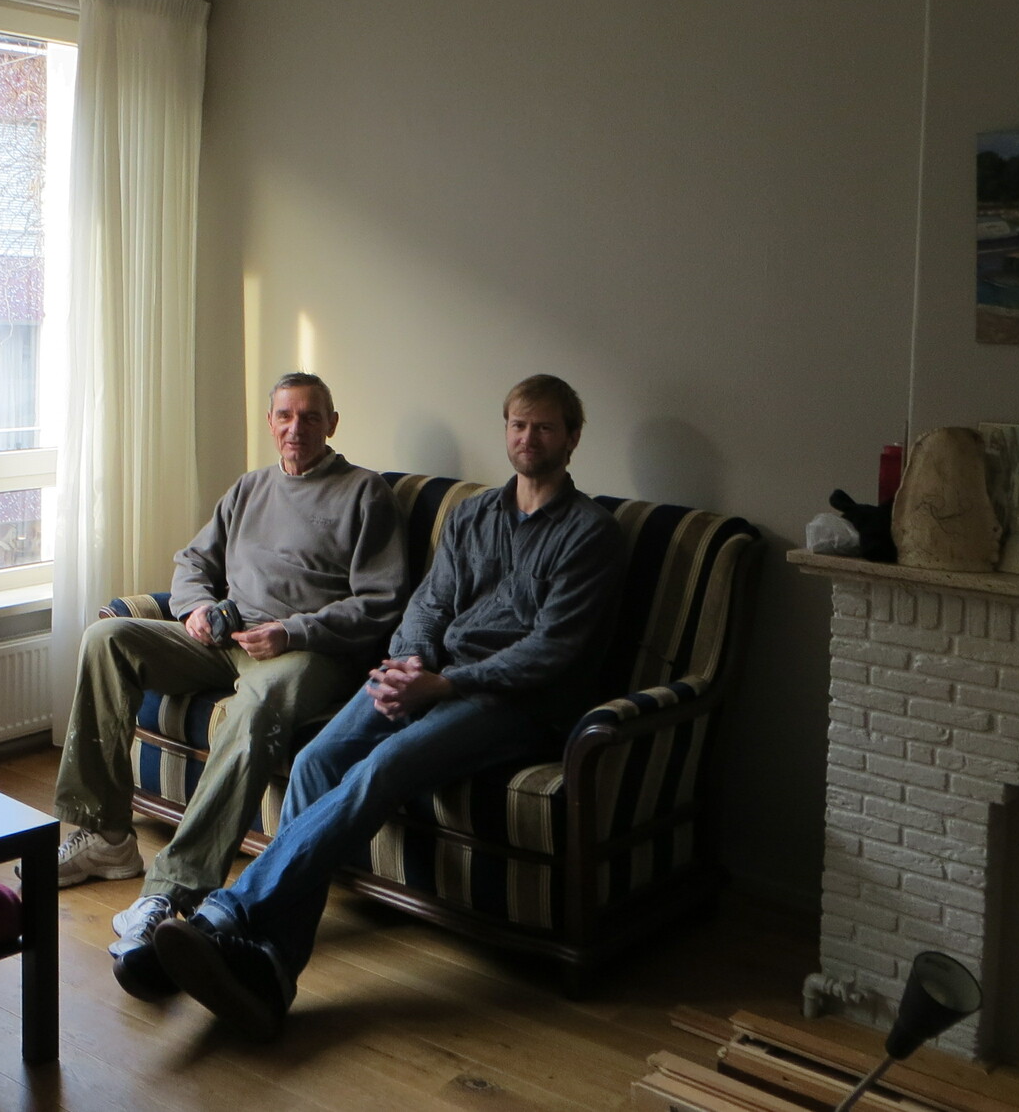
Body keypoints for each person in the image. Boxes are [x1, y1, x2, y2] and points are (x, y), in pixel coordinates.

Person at [151, 374, 627, 1040]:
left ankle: (230, 913)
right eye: (519, 425)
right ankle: (272, 970)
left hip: (515, 703)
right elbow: (428, 604)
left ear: (572, 438)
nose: (529, 438)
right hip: (430, 676)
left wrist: (445, 684)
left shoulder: (591, 534)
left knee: (384, 766)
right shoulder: (474, 515)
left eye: (545, 427)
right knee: (317, 761)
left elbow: (554, 651)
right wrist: (410, 662)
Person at [49, 372, 407, 999]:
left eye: (311, 417)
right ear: (271, 422)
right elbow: (193, 562)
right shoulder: (249, 488)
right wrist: (194, 609)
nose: (296, 428)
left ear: (332, 423)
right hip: (226, 638)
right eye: (285, 416)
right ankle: (104, 834)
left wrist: (292, 631)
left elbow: (381, 603)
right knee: (106, 638)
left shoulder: (363, 493)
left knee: (257, 706)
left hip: (306, 652)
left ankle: (171, 891)